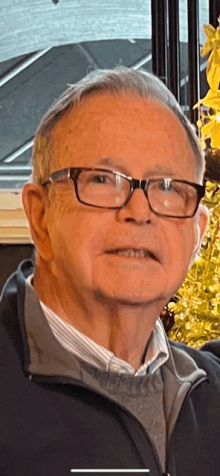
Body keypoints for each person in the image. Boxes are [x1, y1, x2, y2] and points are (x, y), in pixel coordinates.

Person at [0, 66, 219, 476]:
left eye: (168, 187)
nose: (139, 211)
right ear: (40, 215)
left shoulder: (212, 395)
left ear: (197, 234)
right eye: (102, 179)